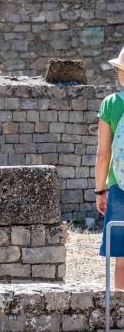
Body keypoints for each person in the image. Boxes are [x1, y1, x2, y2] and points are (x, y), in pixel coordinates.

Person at [97, 46, 124, 290]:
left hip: (119, 186)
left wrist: (99, 191)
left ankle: (120, 315)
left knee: (121, 262)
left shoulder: (111, 104)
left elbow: (104, 154)